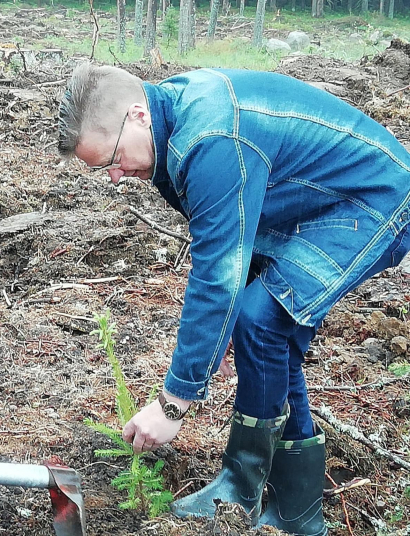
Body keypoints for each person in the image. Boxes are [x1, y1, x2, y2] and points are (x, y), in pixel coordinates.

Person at [58, 63, 410, 536]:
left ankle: (240, 492)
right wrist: (222, 330)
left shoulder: (211, 140)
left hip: (373, 199)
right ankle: (296, 512)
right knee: (264, 328)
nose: (117, 176)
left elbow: (217, 275)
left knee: (261, 321)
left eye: (113, 159)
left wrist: (173, 403)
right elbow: (231, 241)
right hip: (305, 203)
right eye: (104, 170)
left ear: (138, 115)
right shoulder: (171, 131)